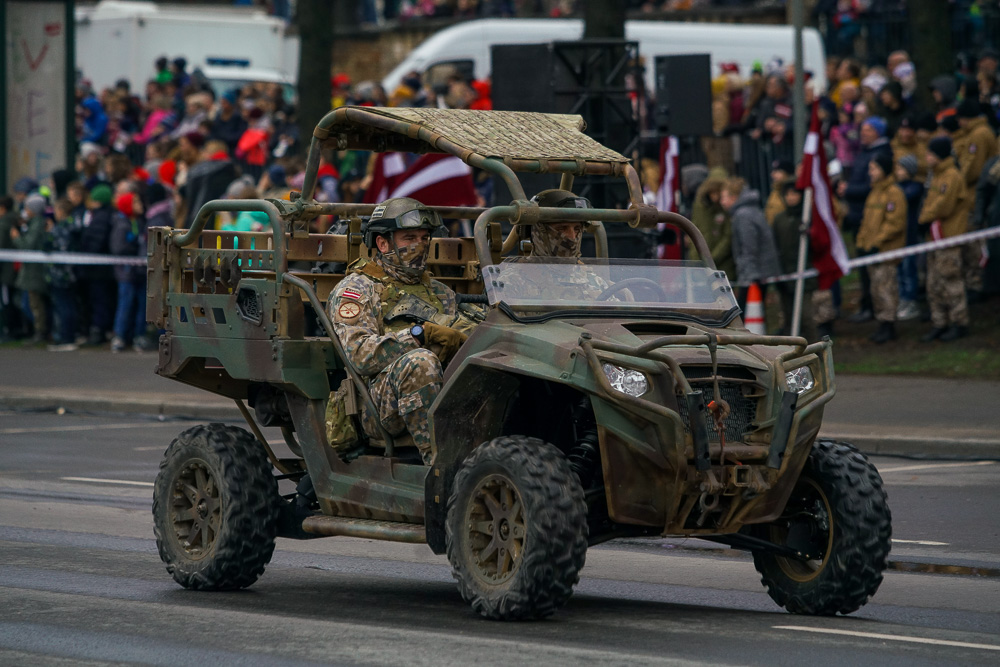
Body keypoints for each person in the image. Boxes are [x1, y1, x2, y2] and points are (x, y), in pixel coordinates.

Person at [326, 198, 470, 464]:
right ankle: (441, 467)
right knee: (420, 363)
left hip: (440, 394)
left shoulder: (440, 292)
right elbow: (358, 355)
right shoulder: (358, 289)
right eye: (409, 237)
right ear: (383, 243)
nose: (420, 245)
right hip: (375, 407)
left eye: (425, 237)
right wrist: (418, 335)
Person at [919, 137, 969, 342]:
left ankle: (960, 322)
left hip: (948, 237)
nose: (927, 157)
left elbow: (944, 206)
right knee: (934, 283)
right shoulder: (936, 175)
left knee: (951, 281)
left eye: (930, 153)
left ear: (939, 155)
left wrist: (923, 218)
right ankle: (940, 322)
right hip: (934, 238)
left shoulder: (952, 176)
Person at [857, 152, 907, 344]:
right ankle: (882, 322)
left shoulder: (894, 192)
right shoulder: (874, 192)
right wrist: (862, 243)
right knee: (876, 288)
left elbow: (894, 223)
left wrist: (876, 243)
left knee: (886, 288)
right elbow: (867, 223)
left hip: (885, 252)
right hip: (871, 252)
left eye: (874, 168)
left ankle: (889, 324)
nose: (870, 172)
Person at [952, 98, 998, 303]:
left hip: (973, 195)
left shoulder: (979, 135)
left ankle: (980, 285)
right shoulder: (975, 133)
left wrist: (955, 181)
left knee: (976, 245)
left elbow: (972, 169)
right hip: (974, 194)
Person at [720, 178, 781, 312]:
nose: (721, 202)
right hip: (760, 271)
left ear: (734, 197)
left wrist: (747, 277)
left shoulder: (743, 216)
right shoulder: (751, 210)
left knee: (748, 312)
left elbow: (749, 247)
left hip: (754, 274)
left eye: (724, 197)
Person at [770, 179, 816, 339]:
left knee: (806, 317)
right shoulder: (779, 219)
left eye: (794, 194)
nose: (791, 197)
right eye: (788, 194)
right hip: (784, 276)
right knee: (788, 318)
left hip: (804, 275)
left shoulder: (808, 218)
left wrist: (810, 233)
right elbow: (774, 246)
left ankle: (813, 351)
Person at [109, 192, 148, 352]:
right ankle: (119, 336)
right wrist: (135, 248)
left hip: (140, 271)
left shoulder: (139, 222)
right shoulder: (121, 224)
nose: (140, 204)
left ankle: (139, 335)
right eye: (136, 201)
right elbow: (118, 247)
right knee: (126, 303)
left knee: (142, 304)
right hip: (127, 272)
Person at [10, 194, 50, 344]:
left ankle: (40, 332)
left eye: (27, 207)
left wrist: (16, 237)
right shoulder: (32, 223)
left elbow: (28, 245)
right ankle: (38, 331)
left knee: (34, 304)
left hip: (35, 271)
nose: (25, 210)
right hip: (30, 271)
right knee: (29, 302)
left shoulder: (37, 224)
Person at [894, 155, 924, 321]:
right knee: (900, 271)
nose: (898, 172)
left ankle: (910, 301)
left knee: (909, 270)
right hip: (898, 238)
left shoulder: (915, 188)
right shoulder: (896, 187)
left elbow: (903, 198)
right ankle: (902, 299)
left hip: (910, 237)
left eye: (901, 169)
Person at [46, 198, 79, 351]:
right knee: (70, 305)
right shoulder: (75, 226)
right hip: (72, 273)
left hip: (60, 274)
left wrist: (48, 236)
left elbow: (54, 248)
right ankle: (71, 335)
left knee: (63, 306)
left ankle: (66, 338)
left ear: (61, 211)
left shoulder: (60, 229)